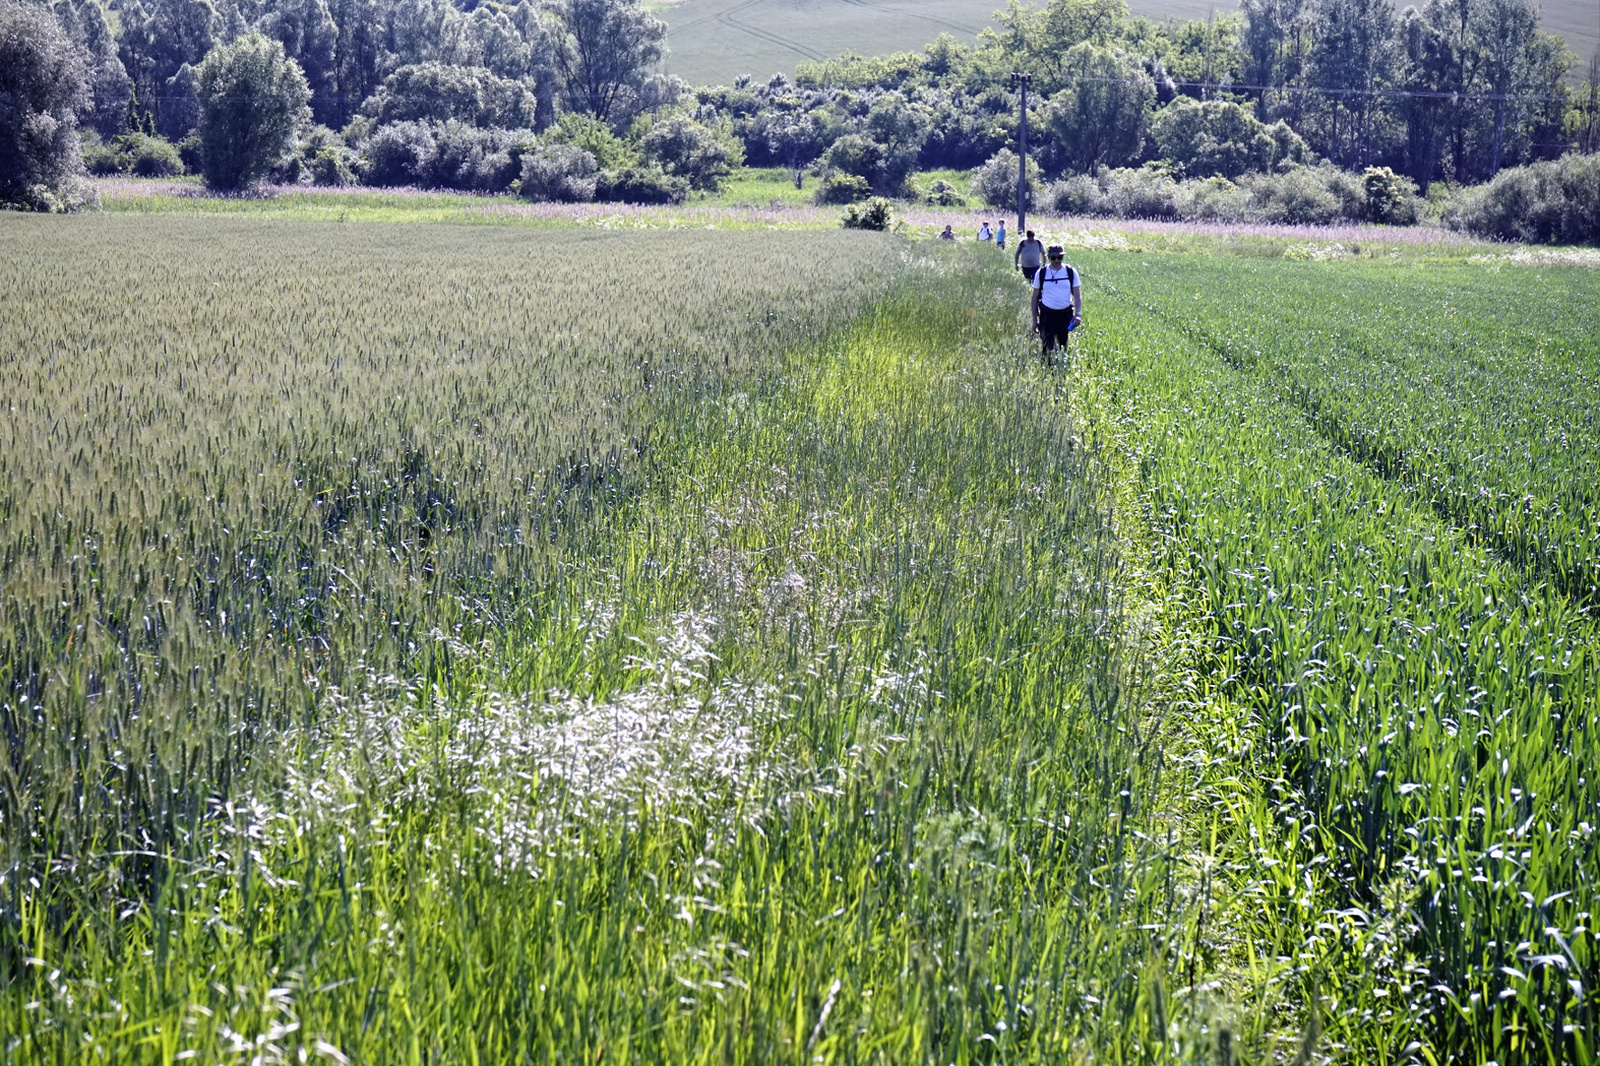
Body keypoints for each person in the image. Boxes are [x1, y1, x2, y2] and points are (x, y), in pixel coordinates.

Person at [1031, 245, 1081, 367]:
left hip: (1065, 314)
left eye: (1060, 257)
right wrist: (1034, 320)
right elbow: (1034, 297)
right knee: (1047, 345)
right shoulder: (1041, 273)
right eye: (1053, 258)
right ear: (1048, 258)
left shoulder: (1070, 272)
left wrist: (1078, 314)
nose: (1057, 260)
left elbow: (1077, 295)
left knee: (1063, 343)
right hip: (1046, 314)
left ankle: (1061, 368)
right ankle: (1046, 372)